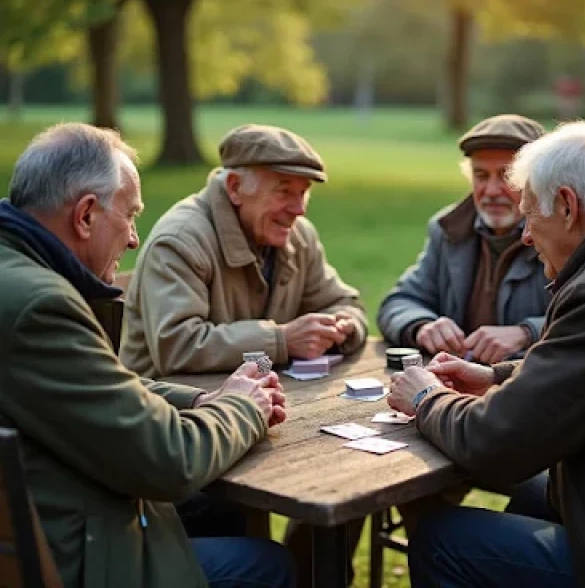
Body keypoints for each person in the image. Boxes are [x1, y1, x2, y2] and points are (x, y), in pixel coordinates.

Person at [0, 123, 293, 588]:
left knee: (214, 506)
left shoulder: (16, 274)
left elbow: (94, 382)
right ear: (85, 216)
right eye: (131, 215)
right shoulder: (41, 304)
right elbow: (168, 460)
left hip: (39, 510)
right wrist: (243, 405)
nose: (135, 239)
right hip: (61, 558)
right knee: (269, 565)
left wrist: (197, 401)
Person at [388, 121, 585, 588]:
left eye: (532, 215)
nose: (526, 235)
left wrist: (425, 398)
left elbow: (496, 444)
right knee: (534, 498)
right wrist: (496, 377)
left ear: (568, 205)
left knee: (442, 539)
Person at [120, 123, 367, 377]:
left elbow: (344, 303)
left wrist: (341, 326)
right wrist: (281, 340)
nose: (299, 209)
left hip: (255, 398)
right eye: (284, 192)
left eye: (302, 193)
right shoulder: (179, 241)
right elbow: (177, 346)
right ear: (235, 188)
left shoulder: (299, 235)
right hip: (169, 407)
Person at [378, 114, 550, 364]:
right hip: (456, 384)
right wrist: (423, 326)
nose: (491, 191)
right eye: (481, 175)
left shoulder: (560, 234)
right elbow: (398, 302)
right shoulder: (449, 228)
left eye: (506, 176)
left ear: (537, 182)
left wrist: (526, 333)